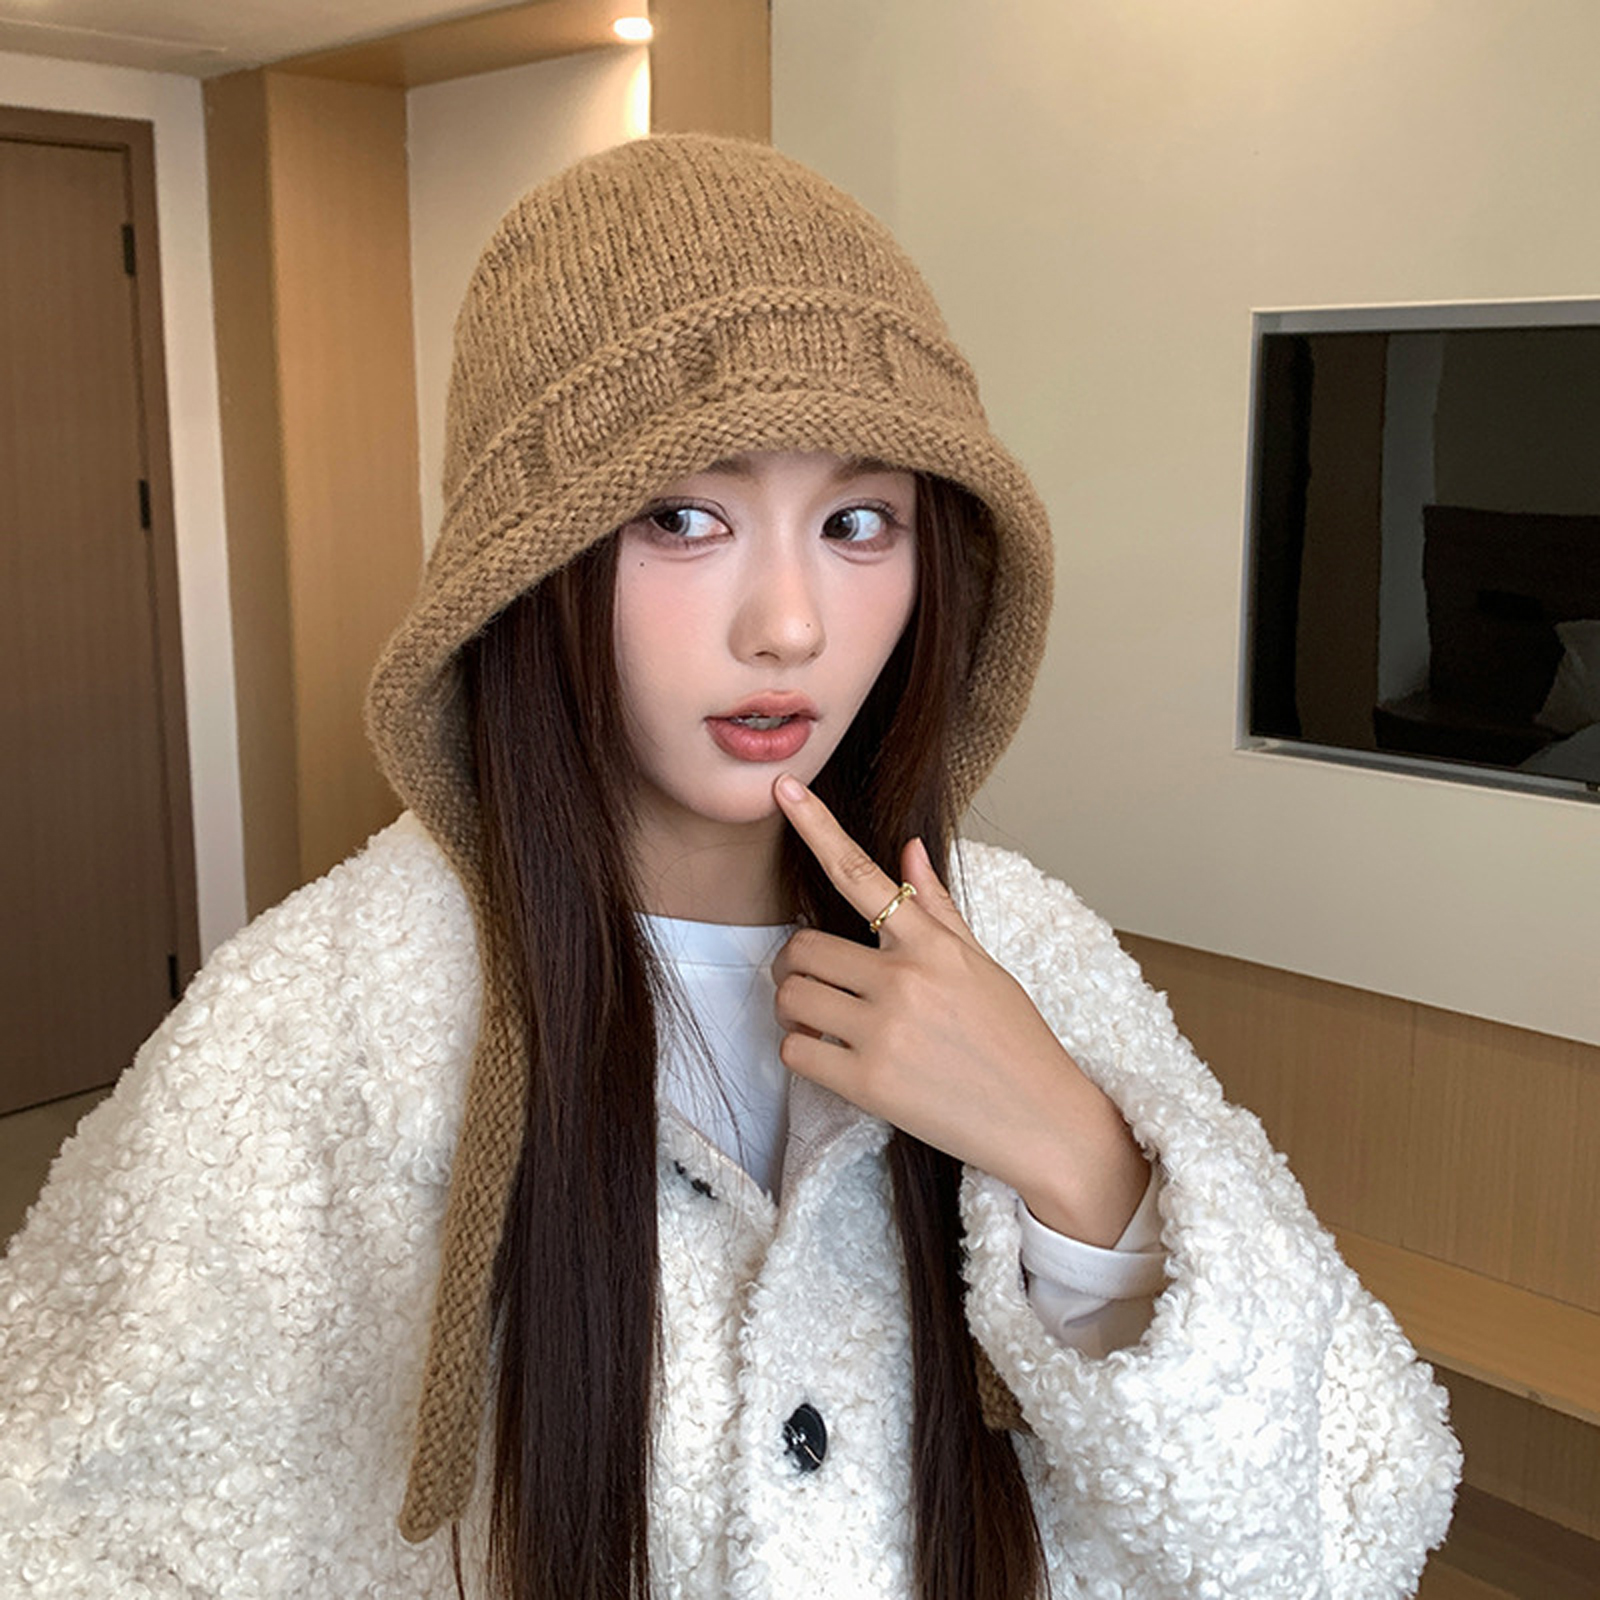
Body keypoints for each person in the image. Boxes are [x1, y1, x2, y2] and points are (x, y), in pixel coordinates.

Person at [0, 135, 1458, 1599]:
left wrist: (1081, 1162)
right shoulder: (321, 1022)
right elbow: (73, 1527)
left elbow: (1350, 1515)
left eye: (857, 523)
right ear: (527, 558)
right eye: (683, 516)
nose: (791, 626)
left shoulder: (1028, 948)